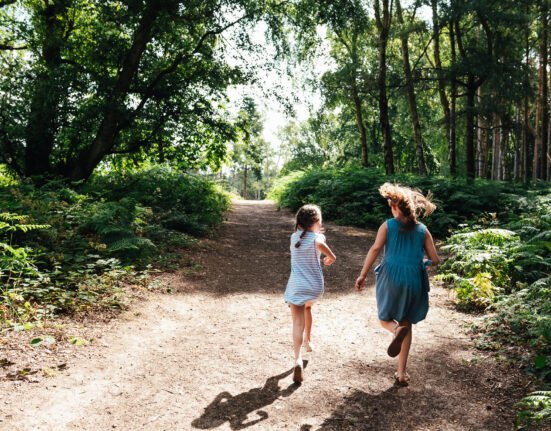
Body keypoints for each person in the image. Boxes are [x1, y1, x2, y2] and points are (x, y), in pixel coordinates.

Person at [354, 183, 440, 386]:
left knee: (385, 318)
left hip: (391, 275)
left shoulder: (388, 225)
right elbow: (435, 259)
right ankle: (401, 373)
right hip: (414, 278)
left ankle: (394, 331)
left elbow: (375, 249)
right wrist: (424, 263)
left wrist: (363, 275)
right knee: (406, 322)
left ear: (394, 207)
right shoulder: (422, 230)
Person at [284, 204, 336, 383]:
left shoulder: (293, 238)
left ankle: (297, 358)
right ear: (316, 223)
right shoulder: (316, 238)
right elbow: (320, 243)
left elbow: (310, 239)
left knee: (297, 323)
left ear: (299, 223)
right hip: (314, 288)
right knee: (308, 308)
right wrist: (331, 257)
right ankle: (308, 340)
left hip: (297, 287)